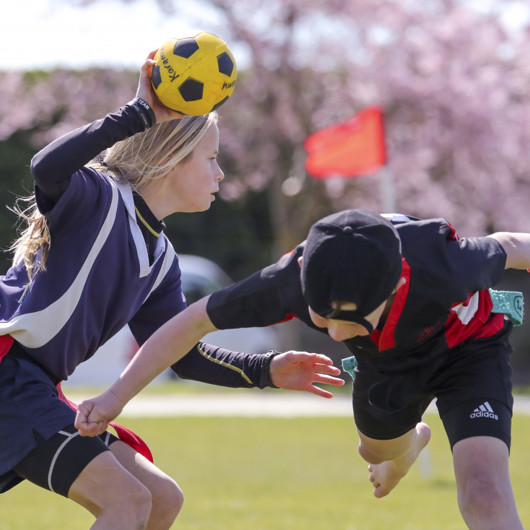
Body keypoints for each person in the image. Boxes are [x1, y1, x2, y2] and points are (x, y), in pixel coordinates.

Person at [0, 50, 343, 529]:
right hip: (8, 374)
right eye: (212, 158)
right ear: (170, 160)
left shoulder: (161, 260)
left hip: (31, 386)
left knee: (162, 499)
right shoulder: (99, 197)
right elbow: (46, 167)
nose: (221, 174)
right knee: (127, 503)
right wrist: (136, 114)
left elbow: (181, 354)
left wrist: (268, 370)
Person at [76, 208, 529, 529]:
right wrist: (115, 397)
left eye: (350, 322)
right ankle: (407, 445)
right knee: (373, 453)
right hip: (385, 367)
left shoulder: (444, 260)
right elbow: (192, 322)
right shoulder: (288, 279)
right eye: (321, 317)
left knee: (484, 493)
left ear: (398, 286)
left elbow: (512, 246)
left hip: (468, 351)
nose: (334, 335)